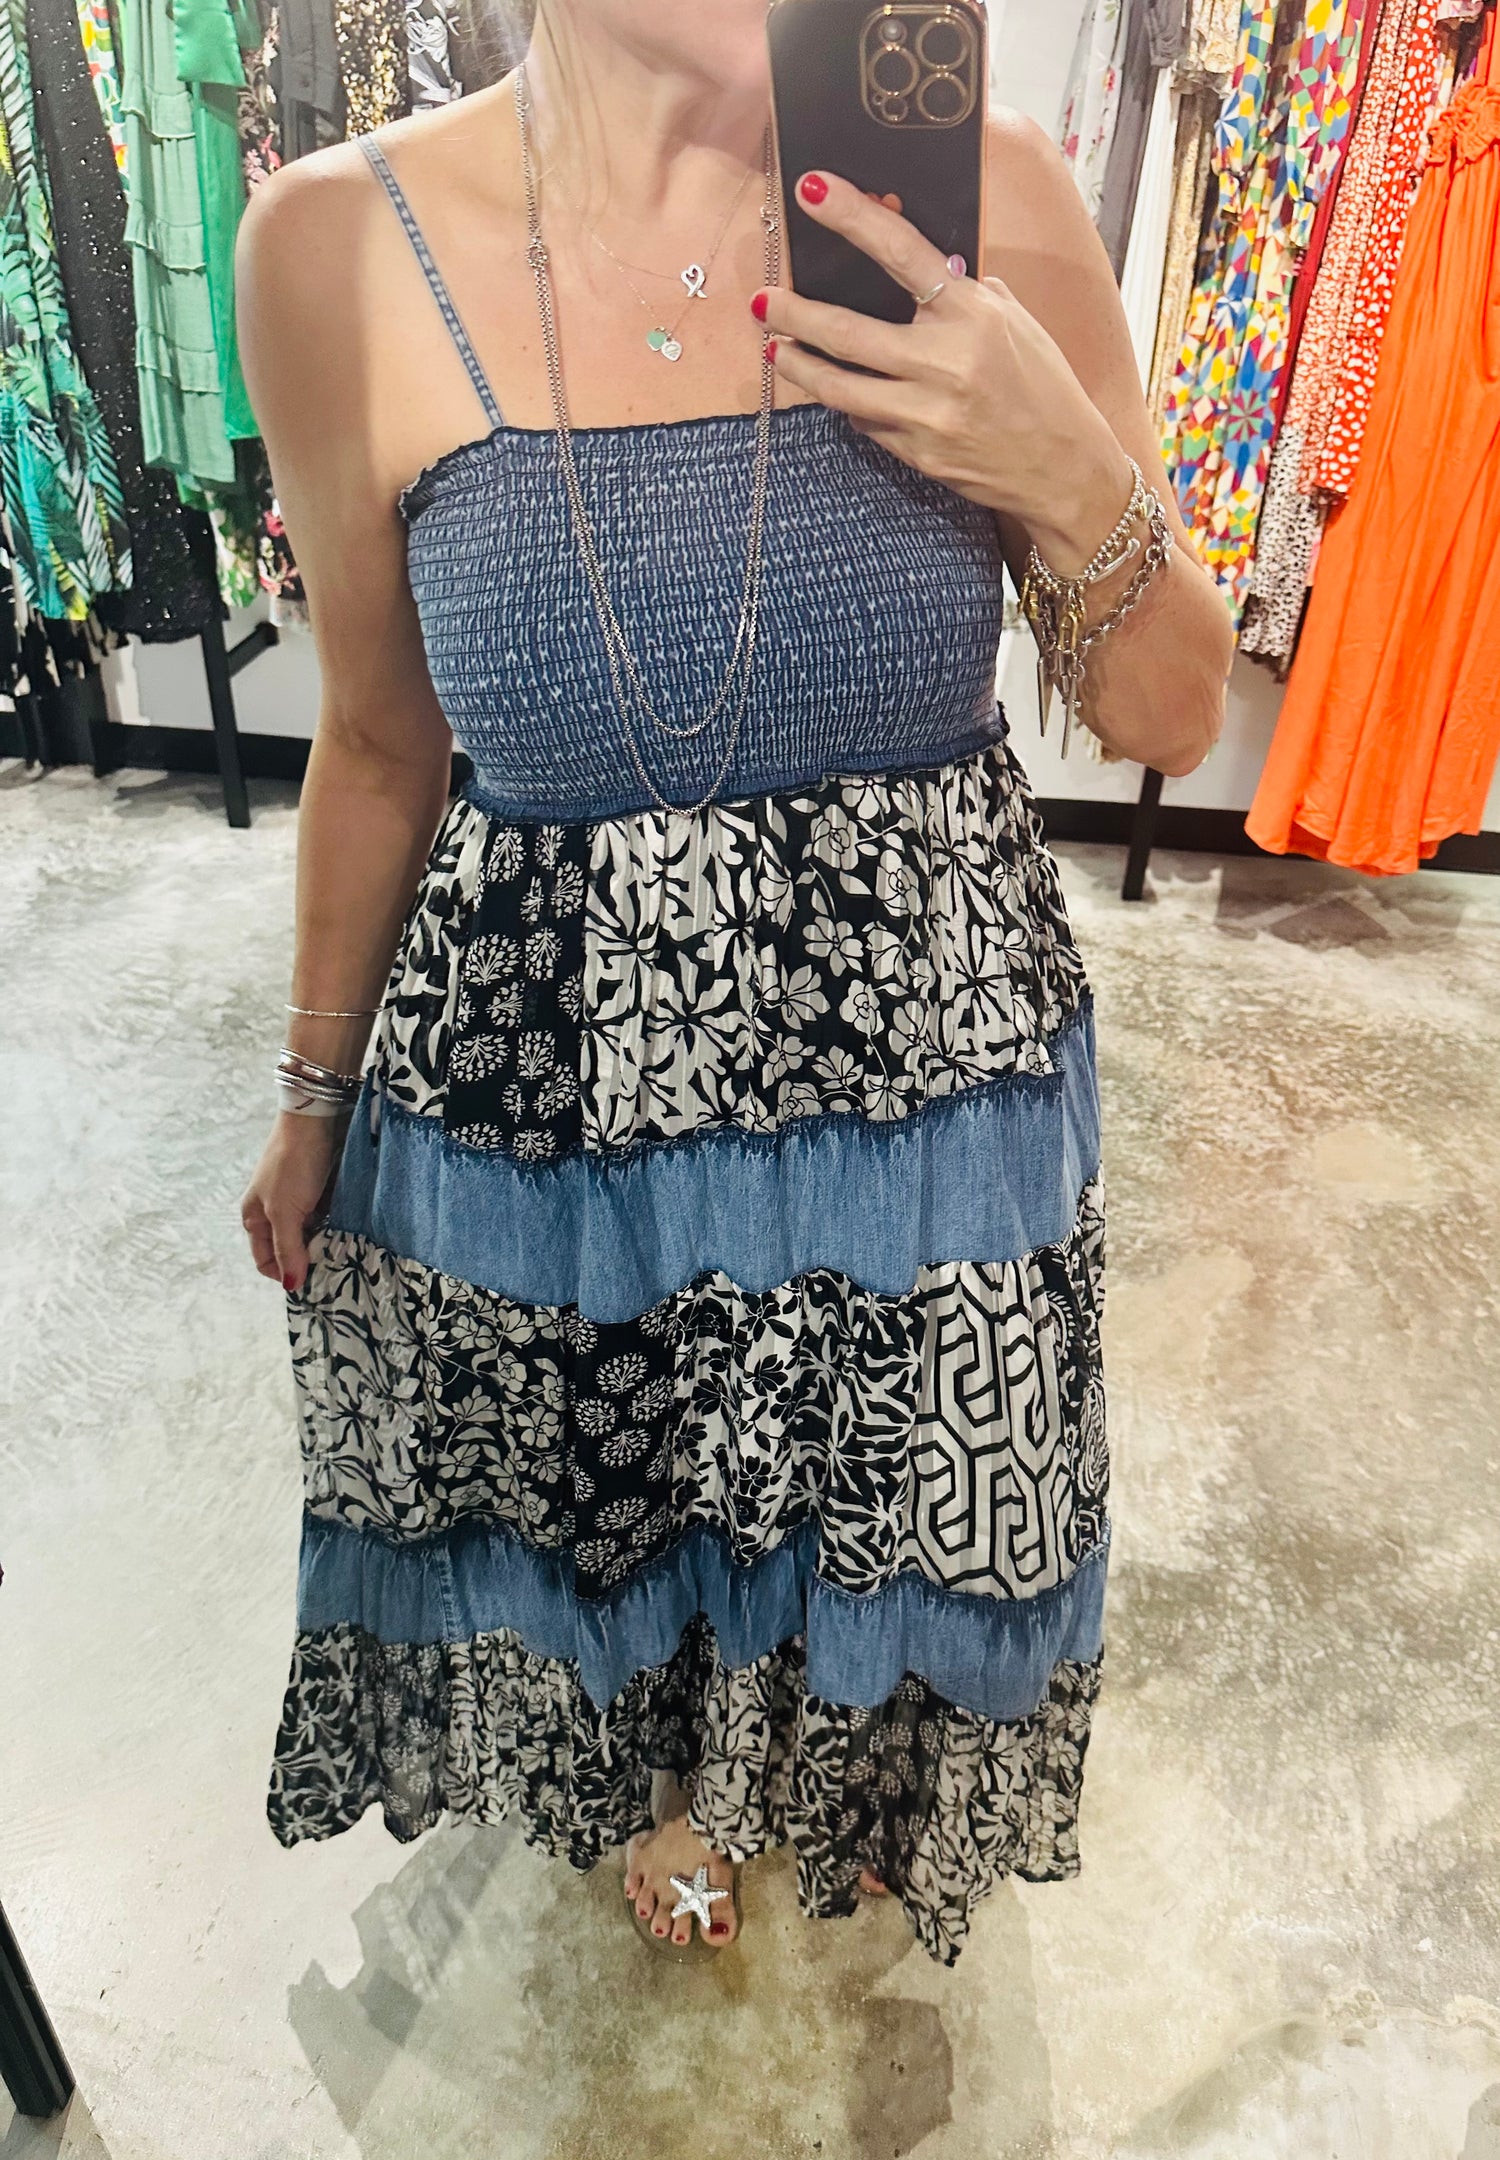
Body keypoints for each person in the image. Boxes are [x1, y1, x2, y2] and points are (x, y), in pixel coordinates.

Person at [237, 0, 1231, 1965]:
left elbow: (1170, 712)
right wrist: (313, 1093)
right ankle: (682, 1792)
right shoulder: (337, 246)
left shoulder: (989, 200)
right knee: (631, 1491)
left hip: (920, 1097)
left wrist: (1064, 469)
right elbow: (376, 738)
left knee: (882, 1502)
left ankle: (826, 1774)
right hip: (570, 1105)